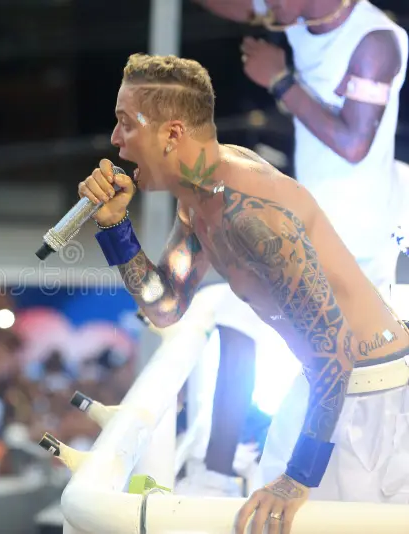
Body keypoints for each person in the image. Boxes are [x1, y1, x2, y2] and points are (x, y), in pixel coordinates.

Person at [79, 53, 409, 533]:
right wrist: (115, 228)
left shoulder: (253, 215)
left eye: (126, 123)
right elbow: (166, 305)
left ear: (172, 133)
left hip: (374, 400)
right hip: (325, 387)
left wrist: (298, 478)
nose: (114, 139)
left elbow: (335, 352)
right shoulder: (200, 196)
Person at [187, 0, 409, 496]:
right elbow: (243, 9)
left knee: (256, 324)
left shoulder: (376, 42)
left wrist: (280, 79)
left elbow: (354, 143)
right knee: (262, 327)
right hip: (315, 213)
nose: (264, 4)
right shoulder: (300, 15)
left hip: (355, 232)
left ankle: (221, 478)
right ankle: (243, 473)